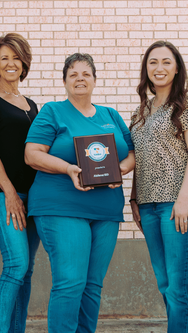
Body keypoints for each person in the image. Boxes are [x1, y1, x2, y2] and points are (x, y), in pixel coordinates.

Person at [24, 53, 136, 333]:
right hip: (61, 206)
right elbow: (32, 154)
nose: (80, 79)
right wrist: (68, 169)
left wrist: (120, 168)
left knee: (92, 284)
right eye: (73, 74)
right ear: (64, 81)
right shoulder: (52, 111)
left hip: (106, 210)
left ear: (95, 80)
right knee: (71, 282)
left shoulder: (110, 115)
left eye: (86, 74)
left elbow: (132, 151)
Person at [127, 41, 188, 333]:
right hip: (149, 206)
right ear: (146, 69)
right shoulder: (141, 110)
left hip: (183, 203)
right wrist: (134, 198)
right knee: (164, 282)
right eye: (153, 62)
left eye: (166, 62)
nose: (159, 68)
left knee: (178, 285)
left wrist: (183, 198)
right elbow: (139, 157)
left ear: (177, 68)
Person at [0, 34, 40, 333]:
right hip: (6, 194)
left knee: (25, 272)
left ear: (24, 62)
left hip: (35, 197)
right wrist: (10, 193)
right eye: (4, 58)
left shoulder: (31, 104)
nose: (11, 63)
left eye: (16, 57)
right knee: (15, 266)